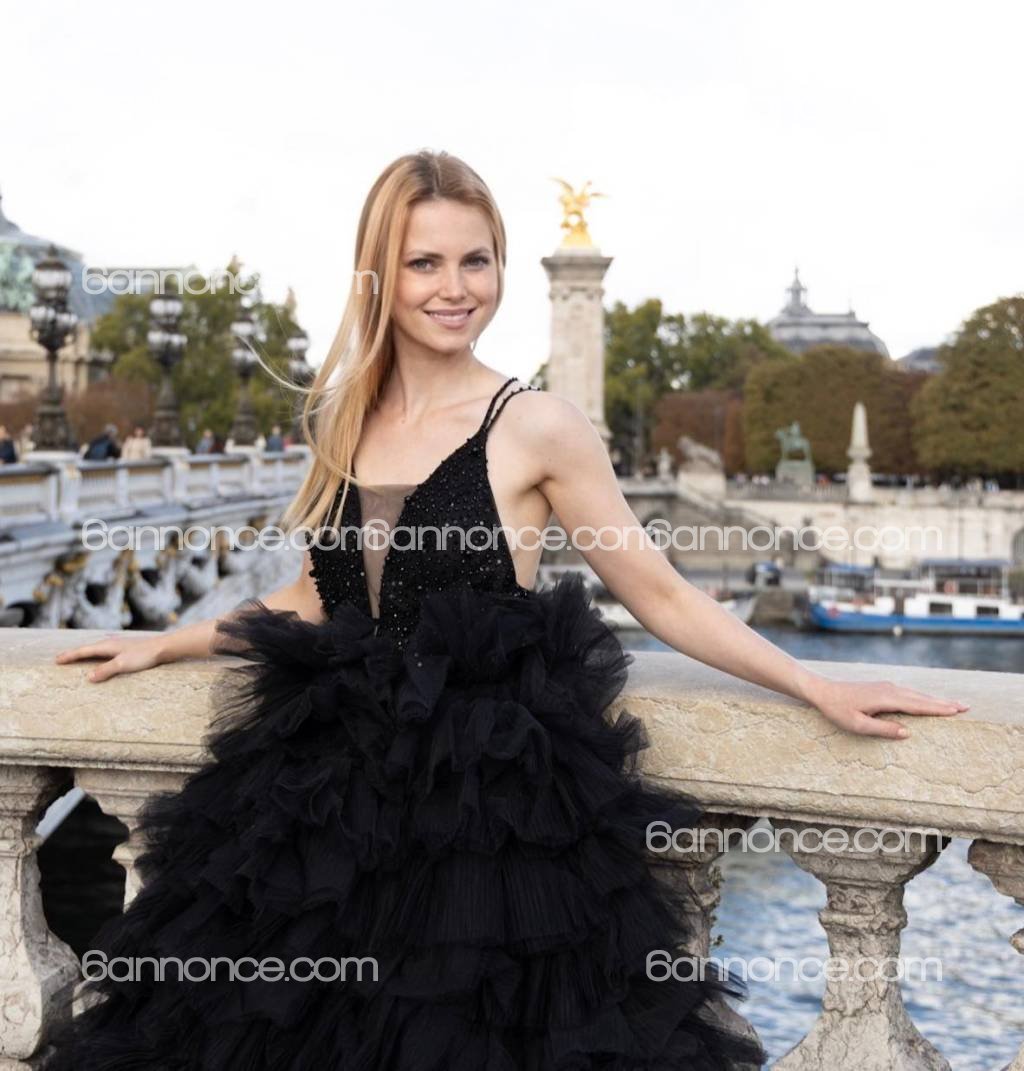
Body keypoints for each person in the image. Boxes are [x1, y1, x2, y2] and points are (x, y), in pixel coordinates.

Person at [48, 150, 968, 1070]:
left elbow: (659, 593)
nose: (456, 289)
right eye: (425, 263)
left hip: (480, 816)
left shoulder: (536, 425)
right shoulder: (339, 417)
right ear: (378, 275)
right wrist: (166, 642)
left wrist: (813, 684)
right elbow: (317, 595)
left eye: (476, 261)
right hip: (327, 795)